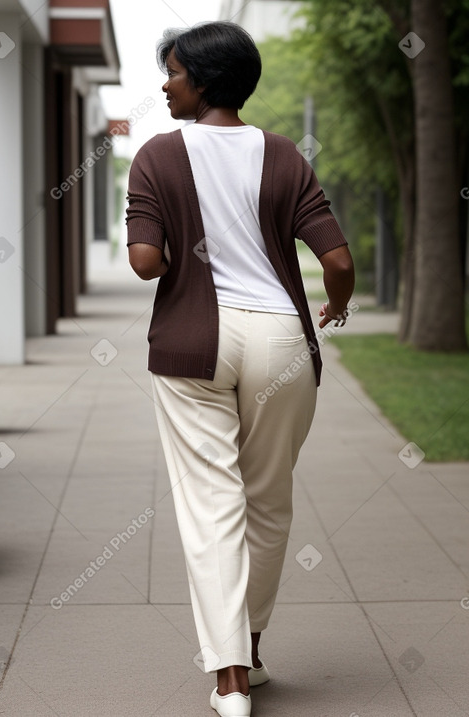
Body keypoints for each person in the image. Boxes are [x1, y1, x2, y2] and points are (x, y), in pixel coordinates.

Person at [126, 20, 354, 717]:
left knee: (210, 507)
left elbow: (144, 262)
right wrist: (335, 307)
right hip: (282, 342)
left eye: (173, 72)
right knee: (267, 500)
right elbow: (338, 261)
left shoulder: (158, 155)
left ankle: (225, 677)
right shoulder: (283, 154)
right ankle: (250, 650)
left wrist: (171, 258)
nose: (165, 84)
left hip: (194, 343)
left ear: (202, 79)